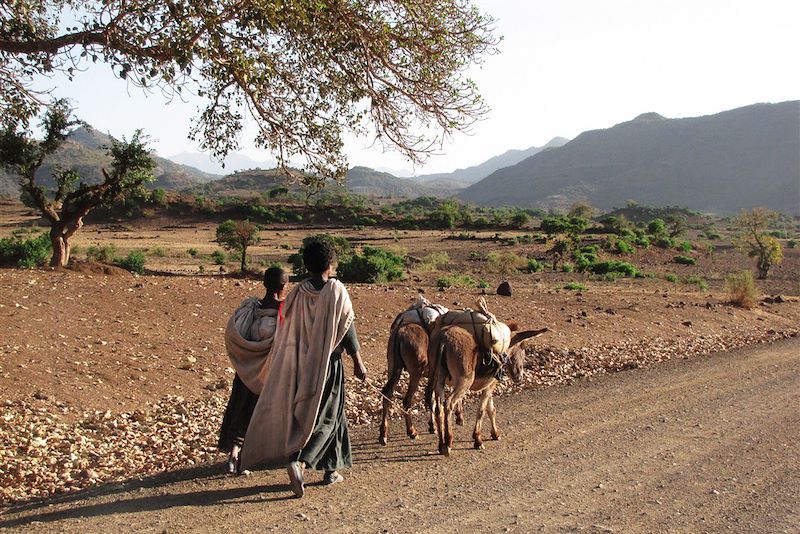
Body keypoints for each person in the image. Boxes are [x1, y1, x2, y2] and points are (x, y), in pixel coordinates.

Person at [239, 239, 367, 498]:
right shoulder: (336, 290)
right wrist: (358, 361)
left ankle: (331, 470)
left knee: (318, 413)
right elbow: (347, 327)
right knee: (327, 416)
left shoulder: (298, 292)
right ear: (330, 264)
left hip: (301, 362)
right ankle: (299, 460)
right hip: (328, 365)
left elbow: (287, 327)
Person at [219, 266, 288, 474]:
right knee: (261, 413)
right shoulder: (284, 312)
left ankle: (234, 454)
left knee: (240, 410)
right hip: (269, 374)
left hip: (246, 371)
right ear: (284, 286)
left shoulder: (249, 309)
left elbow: (236, 335)